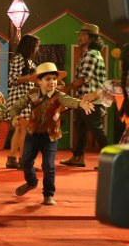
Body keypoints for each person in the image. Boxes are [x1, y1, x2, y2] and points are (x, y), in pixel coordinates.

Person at [8, 63, 95, 205]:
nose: (52, 82)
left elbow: (69, 101)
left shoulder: (58, 95)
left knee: (48, 166)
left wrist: (81, 104)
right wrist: (14, 116)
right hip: (32, 134)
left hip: (50, 137)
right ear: (39, 81)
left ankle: (48, 194)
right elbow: (17, 106)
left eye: (54, 79)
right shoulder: (32, 93)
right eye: (48, 79)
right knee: (25, 162)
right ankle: (31, 182)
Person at [60, 23, 108, 168]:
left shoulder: (90, 54)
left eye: (81, 35)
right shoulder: (94, 54)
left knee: (97, 130)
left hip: (90, 100)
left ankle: (113, 161)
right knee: (80, 128)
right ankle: (78, 157)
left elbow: (83, 79)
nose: (79, 38)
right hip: (85, 99)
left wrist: (67, 89)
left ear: (89, 37)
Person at [5, 34, 39, 169]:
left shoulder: (28, 60)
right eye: (36, 46)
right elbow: (13, 79)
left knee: (19, 129)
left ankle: (12, 158)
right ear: (29, 46)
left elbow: (29, 80)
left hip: (25, 97)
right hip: (19, 97)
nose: (37, 49)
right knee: (24, 129)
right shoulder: (19, 58)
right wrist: (31, 77)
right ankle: (24, 161)